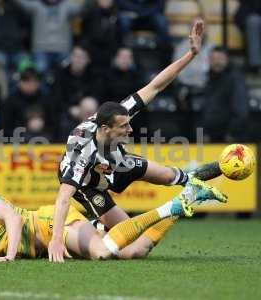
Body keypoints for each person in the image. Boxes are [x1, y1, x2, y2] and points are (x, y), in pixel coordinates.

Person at [48, 19, 208, 262]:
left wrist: (191, 55)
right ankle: (102, 225)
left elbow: (156, 85)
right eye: (123, 127)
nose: (130, 130)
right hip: (90, 185)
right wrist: (56, 240)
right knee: (133, 245)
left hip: (116, 162)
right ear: (105, 128)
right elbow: (62, 198)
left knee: (166, 176)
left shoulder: (119, 111)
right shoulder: (81, 151)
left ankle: (199, 180)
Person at [0, 173, 227, 261]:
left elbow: (10, 218)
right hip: (41, 246)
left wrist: (9, 256)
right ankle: (185, 200)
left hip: (46, 223)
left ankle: (172, 206)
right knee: (133, 253)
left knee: (103, 252)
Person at [201, 46, 249, 143]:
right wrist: (205, 133)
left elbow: (241, 110)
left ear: (227, 59)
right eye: (213, 59)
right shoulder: (208, 79)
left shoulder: (235, 79)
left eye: (220, 58)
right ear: (209, 61)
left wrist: (231, 133)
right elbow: (207, 109)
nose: (216, 62)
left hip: (229, 137)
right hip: (212, 137)